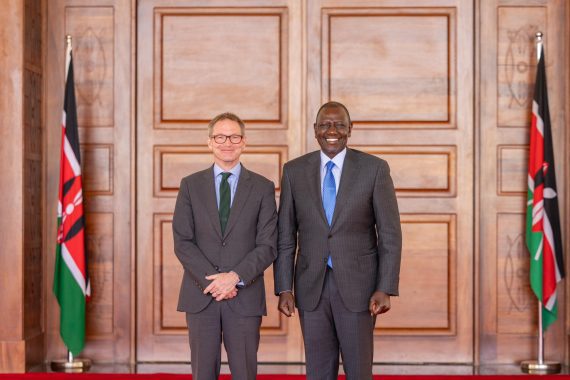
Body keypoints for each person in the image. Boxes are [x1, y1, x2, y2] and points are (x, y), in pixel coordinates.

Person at [274, 101, 402, 380]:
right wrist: (284, 287)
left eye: (339, 124)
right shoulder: (294, 171)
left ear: (350, 129)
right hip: (311, 288)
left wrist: (386, 287)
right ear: (315, 130)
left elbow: (390, 235)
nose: (332, 130)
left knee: (358, 371)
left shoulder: (375, 169)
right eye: (325, 125)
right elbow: (285, 235)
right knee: (318, 372)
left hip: (360, 289)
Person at [173, 112, 278, 380]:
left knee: (245, 373)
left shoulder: (263, 188)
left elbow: (268, 244)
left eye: (233, 136)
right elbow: (183, 241)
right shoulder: (190, 185)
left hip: (244, 296)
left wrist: (233, 278)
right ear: (210, 142)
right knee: (203, 374)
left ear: (243, 142)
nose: (227, 142)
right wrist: (215, 281)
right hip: (201, 296)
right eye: (220, 136)